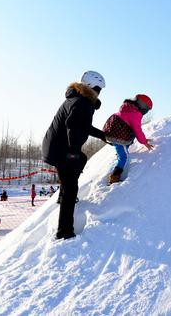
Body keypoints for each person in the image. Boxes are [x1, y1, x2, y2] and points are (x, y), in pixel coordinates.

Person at [42, 71, 107, 240]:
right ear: (91, 87)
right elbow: (72, 125)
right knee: (72, 188)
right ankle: (65, 231)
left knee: (80, 163)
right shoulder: (81, 102)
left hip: (55, 146)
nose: (99, 92)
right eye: (98, 88)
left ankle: (63, 195)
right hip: (61, 149)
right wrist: (73, 152)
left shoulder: (78, 99)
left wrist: (103, 136)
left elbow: (82, 125)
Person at [103, 94, 154, 185]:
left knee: (122, 153)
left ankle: (120, 157)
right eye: (147, 109)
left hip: (112, 134)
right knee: (124, 157)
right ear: (143, 106)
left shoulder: (126, 108)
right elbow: (137, 130)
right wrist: (145, 142)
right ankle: (114, 178)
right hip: (119, 137)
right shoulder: (135, 113)